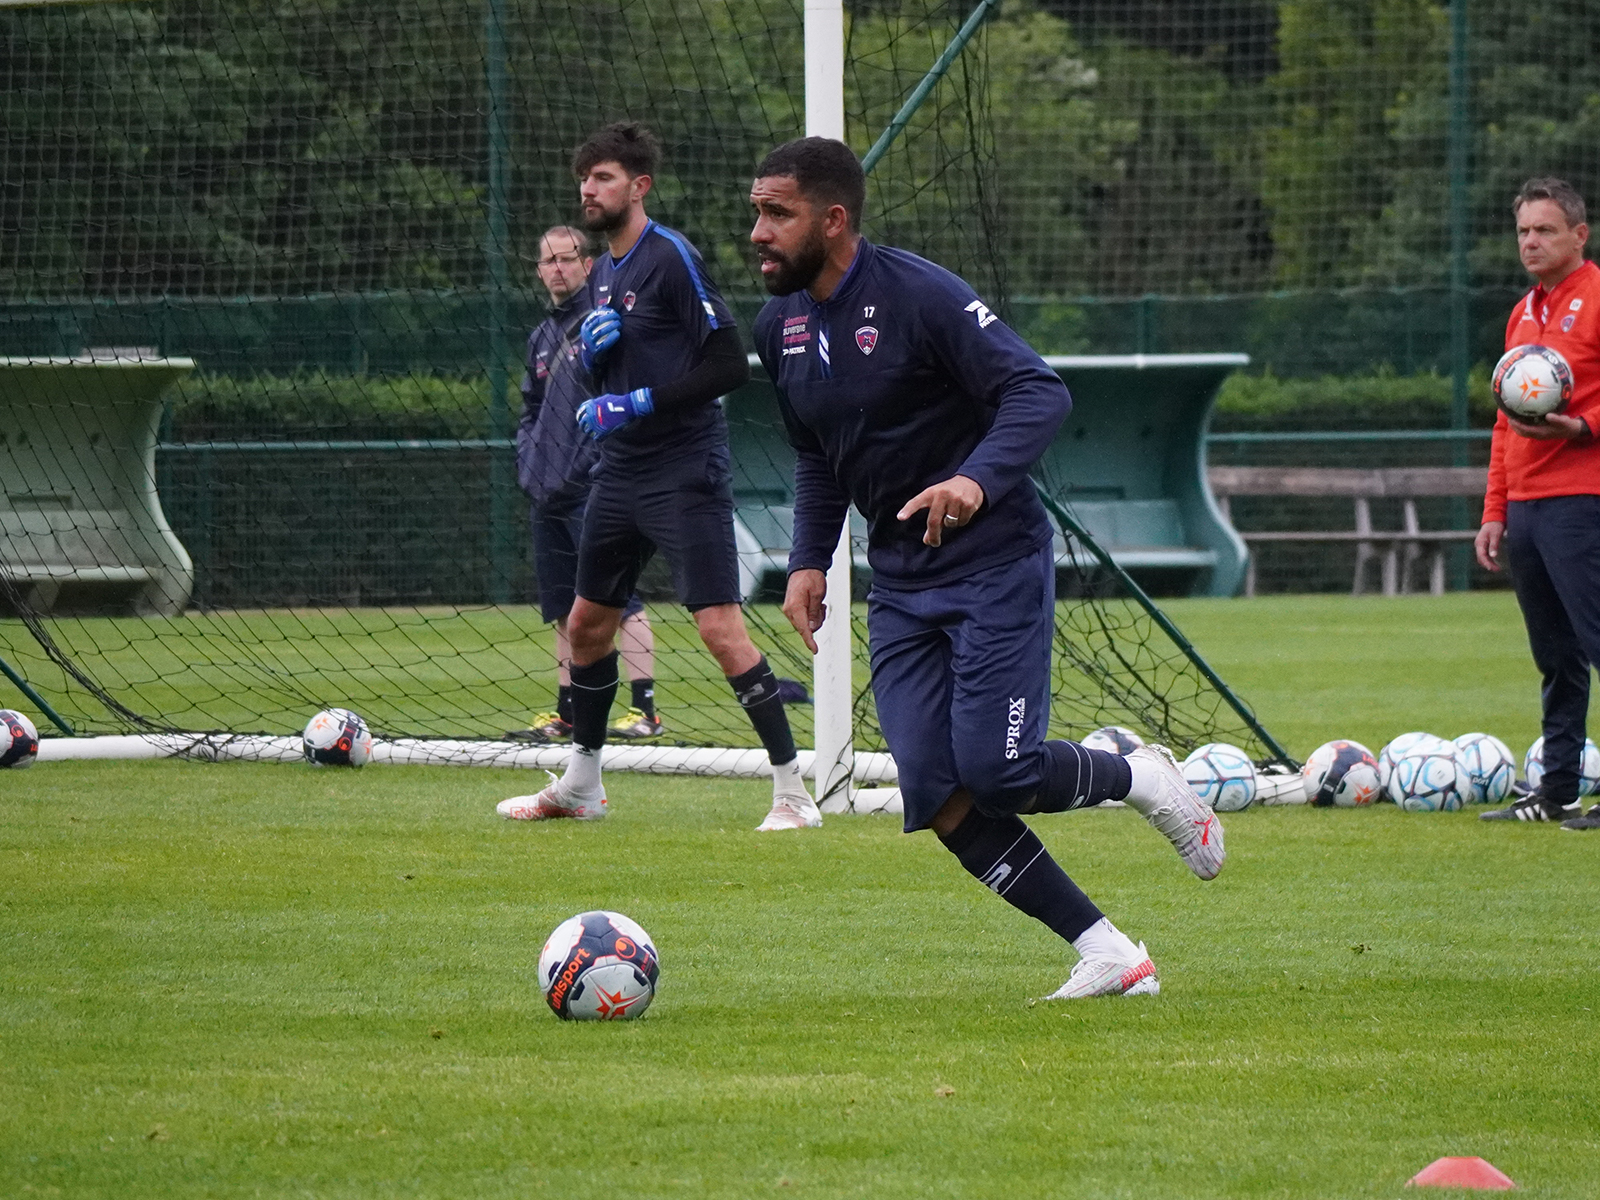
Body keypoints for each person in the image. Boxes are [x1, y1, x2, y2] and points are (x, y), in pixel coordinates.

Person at [750, 137, 1224, 1000]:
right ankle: (1109, 952)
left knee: (1000, 773)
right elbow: (817, 454)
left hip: (994, 564)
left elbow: (1039, 391)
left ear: (834, 219)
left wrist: (973, 480)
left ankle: (1139, 776)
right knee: (937, 790)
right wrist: (808, 559)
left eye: (777, 213)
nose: (758, 231)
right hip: (900, 585)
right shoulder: (777, 327)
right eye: (757, 212)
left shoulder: (918, 295)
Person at [499, 122, 819, 832]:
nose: (589, 190)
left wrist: (638, 400)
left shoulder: (671, 257)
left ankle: (793, 792)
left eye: (604, 178)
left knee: (720, 631)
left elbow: (727, 365)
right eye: (584, 179)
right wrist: (598, 366)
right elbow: (621, 373)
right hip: (620, 470)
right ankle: (582, 785)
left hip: (683, 472)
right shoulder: (603, 274)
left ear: (639, 186)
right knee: (586, 625)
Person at [1476, 178, 1600, 830]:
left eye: (1545, 230)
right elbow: (1505, 423)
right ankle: (1557, 792)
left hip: (1584, 500)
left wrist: (1583, 427)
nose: (1531, 241)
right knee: (1555, 657)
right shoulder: (1523, 313)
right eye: (1523, 230)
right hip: (1527, 506)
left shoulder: (1598, 298)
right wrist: (1495, 509)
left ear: (1579, 235)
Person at [508, 224, 662, 745]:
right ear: (538, 270)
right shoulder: (541, 337)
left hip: (595, 487)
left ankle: (645, 712)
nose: (557, 268)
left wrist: (592, 462)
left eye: (567, 258)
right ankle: (567, 714)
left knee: (622, 600)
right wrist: (530, 465)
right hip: (547, 492)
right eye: (548, 260)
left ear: (588, 264)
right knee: (562, 607)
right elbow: (529, 410)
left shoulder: (604, 321)